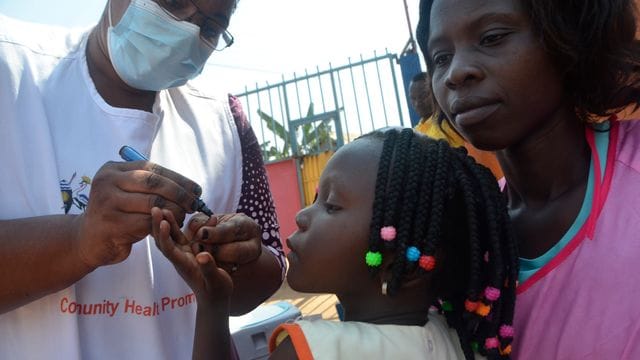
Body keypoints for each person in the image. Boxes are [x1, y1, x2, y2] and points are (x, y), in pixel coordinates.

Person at [0, 0, 285, 358]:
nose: (187, 32)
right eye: (174, 3)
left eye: (211, 28)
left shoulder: (224, 120)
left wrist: (230, 260)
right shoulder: (10, 68)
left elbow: (267, 267)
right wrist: (80, 240)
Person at [154, 128, 520, 359]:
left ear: (401, 261)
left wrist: (212, 304)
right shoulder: (459, 342)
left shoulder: (312, 350)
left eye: (331, 205)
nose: (302, 216)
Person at [416, 0, 640, 358]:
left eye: (492, 37)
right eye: (441, 57)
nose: (456, 72)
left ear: (565, 38)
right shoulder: (464, 242)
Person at [411, 72, 504, 179]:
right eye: (413, 98)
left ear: (434, 91)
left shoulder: (455, 121)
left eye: (422, 95)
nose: (418, 103)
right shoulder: (415, 133)